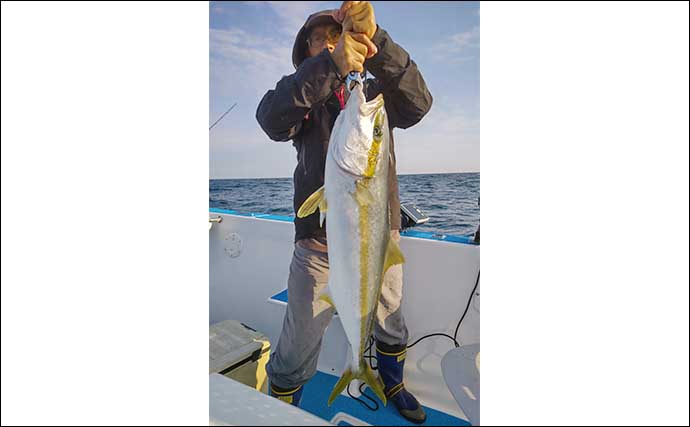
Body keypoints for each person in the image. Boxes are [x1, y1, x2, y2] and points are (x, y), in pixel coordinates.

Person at [255, 1, 432, 423]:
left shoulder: (375, 98)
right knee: (298, 343)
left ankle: (392, 381)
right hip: (318, 244)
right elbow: (271, 118)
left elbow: (419, 102)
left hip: (378, 235)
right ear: (309, 51)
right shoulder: (302, 99)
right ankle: (282, 412)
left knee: (389, 318)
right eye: (322, 39)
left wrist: (380, 41)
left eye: (339, 36)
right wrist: (329, 67)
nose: (333, 42)